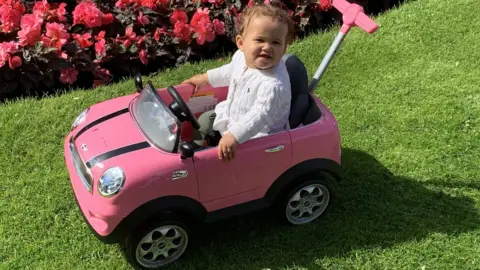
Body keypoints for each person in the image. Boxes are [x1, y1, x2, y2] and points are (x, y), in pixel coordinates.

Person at [182, 3, 294, 162]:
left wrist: (234, 136)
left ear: (283, 49)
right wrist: (205, 78)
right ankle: (194, 145)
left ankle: (202, 159)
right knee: (205, 119)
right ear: (241, 43)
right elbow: (228, 71)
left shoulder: (273, 85)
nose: (267, 47)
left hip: (257, 136)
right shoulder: (241, 57)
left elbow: (258, 116)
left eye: (276, 42)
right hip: (233, 114)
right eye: (260, 40)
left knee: (222, 152)